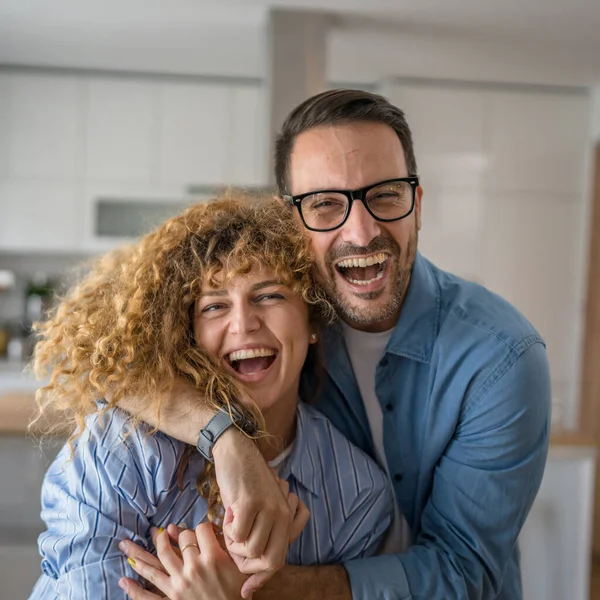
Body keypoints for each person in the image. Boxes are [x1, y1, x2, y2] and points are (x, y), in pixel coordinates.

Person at [119, 89, 552, 600]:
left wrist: (252, 592)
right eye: (325, 204)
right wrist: (230, 443)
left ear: (418, 206)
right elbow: (103, 363)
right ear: (290, 222)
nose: (362, 231)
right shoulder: (276, 326)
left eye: (386, 194)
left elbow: (462, 572)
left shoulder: (502, 359)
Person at [28, 194, 394, 599]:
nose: (243, 323)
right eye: (214, 306)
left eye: (269, 295)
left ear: (312, 321)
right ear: (189, 336)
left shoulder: (358, 497)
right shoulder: (123, 445)